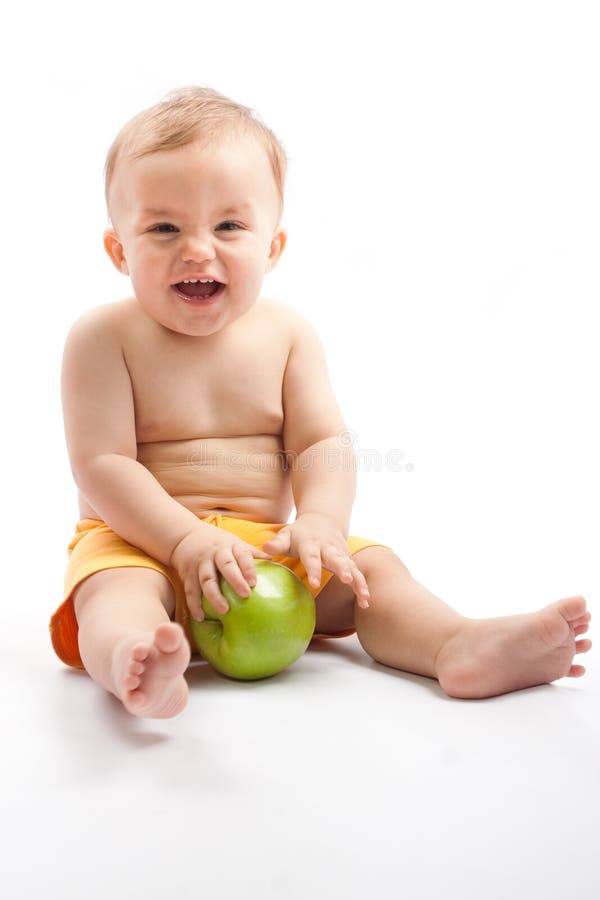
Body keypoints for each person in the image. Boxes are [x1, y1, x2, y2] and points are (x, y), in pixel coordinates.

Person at [49, 86, 592, 718]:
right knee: (114, 595)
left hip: (268, 549)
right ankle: (137, 660)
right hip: (140, 543)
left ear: (272, 247)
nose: (197, 249)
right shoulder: (103, 337)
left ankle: (455, 643)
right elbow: (103, 464)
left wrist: (322, 526)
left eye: (228, 225)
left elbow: (321, 443)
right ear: (119, 250)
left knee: (374, 574)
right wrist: (184, 541)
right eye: (164, 228)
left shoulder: (287, 335)